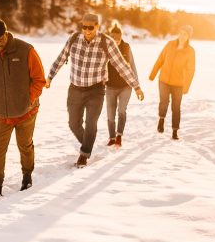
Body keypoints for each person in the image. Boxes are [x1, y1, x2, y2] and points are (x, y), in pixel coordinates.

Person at [46, 13, 144, 167]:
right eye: (83, 27)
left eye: (90, 27)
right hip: (75, 89)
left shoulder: (107, 42)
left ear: (97, 26)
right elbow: (60, 58)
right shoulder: (73, 39)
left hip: (96, 90)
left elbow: (122, 66)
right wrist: (50, 76)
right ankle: (88, 142)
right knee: (73, 124)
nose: (87, 30)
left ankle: (84, 155)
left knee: (91, 123)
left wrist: (136, 86)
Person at [0, 18, 46, 198]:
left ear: (6, 34)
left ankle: (27, 177)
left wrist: (29, 100)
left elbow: (39, 79)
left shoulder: (26, 50)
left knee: (25, 145)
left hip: (26, 111)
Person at [148, 25, 196, 141]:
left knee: (176, 107)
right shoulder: (170, 44)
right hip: (164, 80)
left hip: (178, 84)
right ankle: (161, 119)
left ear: (189, 36)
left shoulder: (190, 51)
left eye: (185, 34)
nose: (182, 36)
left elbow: (191, 70)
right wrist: (153, 74)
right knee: (164, 102)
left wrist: (186, 87)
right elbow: (161, 59)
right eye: (181, 33)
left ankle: (175, 131)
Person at [103, 20, 139, 148]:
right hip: (110, 86)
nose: (116, 39)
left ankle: (119, 136)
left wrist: (137, 86)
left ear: (121, 36)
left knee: (122, 110)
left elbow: (133, 66)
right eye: (113, 37)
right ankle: (112, 137)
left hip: (125, 86)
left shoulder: (126, 47)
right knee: (110, 114)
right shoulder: (106, 48)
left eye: (118, 37)